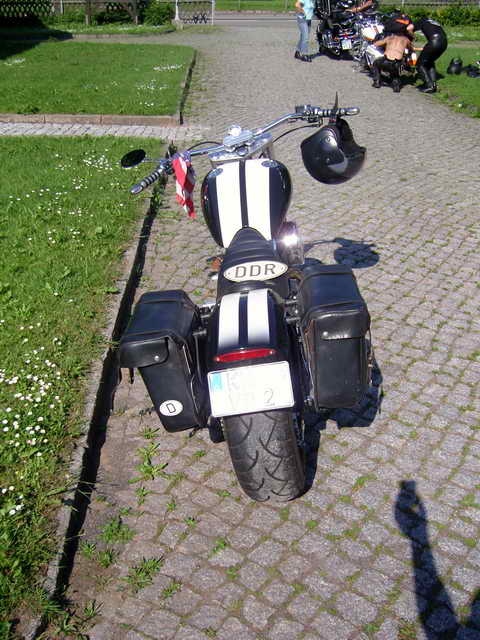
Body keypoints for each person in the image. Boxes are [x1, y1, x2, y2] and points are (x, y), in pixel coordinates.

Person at [409, 17, 448, 93]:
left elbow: (409, 28)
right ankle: (433, 84)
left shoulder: (421, 20)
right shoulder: (433, 22)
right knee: (430, 62)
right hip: (444, 42)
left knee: (419, 64)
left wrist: (414, 37)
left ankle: (429, 85)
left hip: (435, 41)